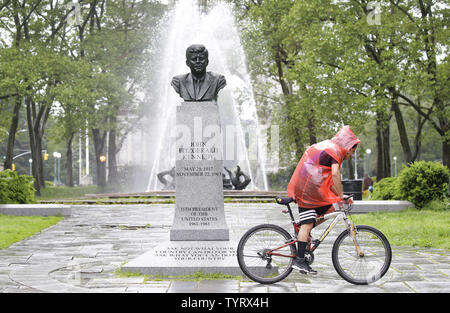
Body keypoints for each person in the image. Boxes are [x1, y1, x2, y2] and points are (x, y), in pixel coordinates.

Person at [287, 125, 360, 274]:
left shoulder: (332, 149)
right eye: (353, 150)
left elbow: (329, 181)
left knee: (330, 210)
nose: (352, 155)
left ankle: (303, 236)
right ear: (347, 146)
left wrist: (342, 196)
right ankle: (299, 261)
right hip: (306, 190)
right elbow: (335, 175)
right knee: (307, 225)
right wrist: (340, 196)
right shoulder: (335, 152)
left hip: (311, 188)